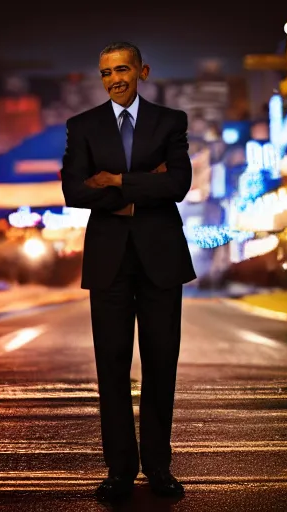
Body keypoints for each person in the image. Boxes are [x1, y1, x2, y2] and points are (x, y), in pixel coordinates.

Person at [60, 41, 196, 502]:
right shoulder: (82, 126)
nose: (115, 78)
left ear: (142, 70)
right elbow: (74, 192)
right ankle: (119, 471)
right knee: (112, 368)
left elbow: (178, 184)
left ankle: (159, 467)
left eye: (123, 69)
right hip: (108, 262)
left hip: (162, 260)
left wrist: (115, 181)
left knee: (162, 366)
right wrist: (143, 187)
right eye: (105, 72)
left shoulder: (171, 121)